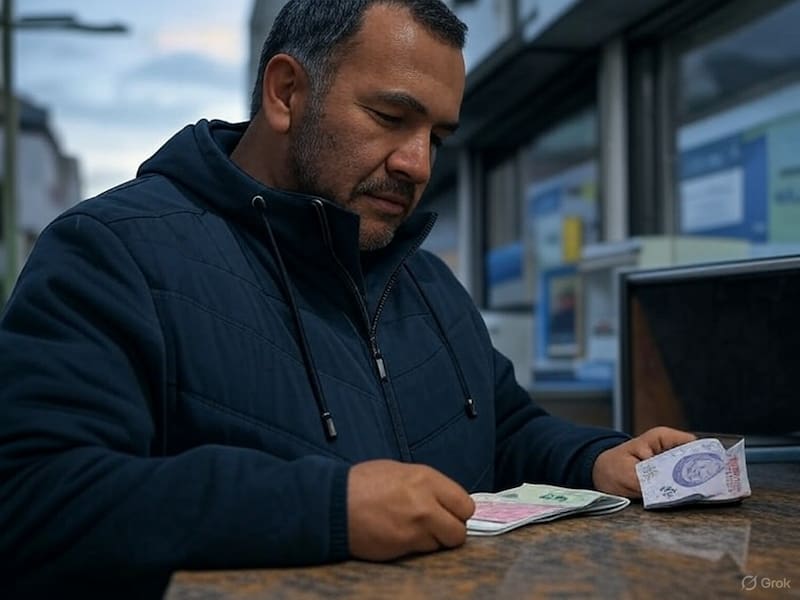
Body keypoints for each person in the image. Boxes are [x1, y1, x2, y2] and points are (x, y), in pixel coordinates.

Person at [0, 0, 695, 597]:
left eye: (437, 137)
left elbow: (504, 431)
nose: (417, 163)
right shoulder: (111, 251)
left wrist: (596, 461)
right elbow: (33, 500)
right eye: (392, 116)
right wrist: (324, 508)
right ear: (285, 93)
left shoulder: (425, 282)